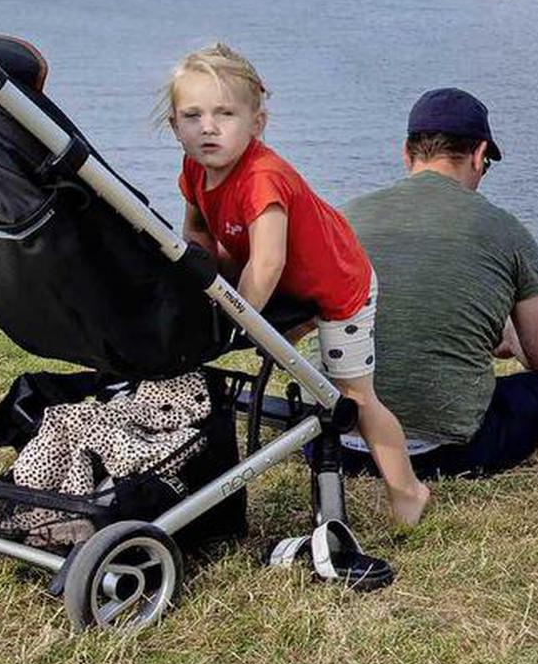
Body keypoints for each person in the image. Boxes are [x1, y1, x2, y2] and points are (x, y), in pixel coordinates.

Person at [164, 44, 428, 525]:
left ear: (256, 124)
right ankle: (296, 326)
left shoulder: (262, 178)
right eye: (193, 115)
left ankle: (407, 491)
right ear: (174, 125)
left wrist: (234, 322)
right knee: (285, 353)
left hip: (339, 287)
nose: (208, 127)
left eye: (225, 114)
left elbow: (265, 265)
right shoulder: (193, 168)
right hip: (289, 284)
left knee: (352, 396)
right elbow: (198, 233)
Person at [341, 87, 538, 478]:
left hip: (338, 445)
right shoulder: (506, 230)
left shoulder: (345, 218)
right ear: (480, 156)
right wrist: (512, 338)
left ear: (407, 151)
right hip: (448, 454)